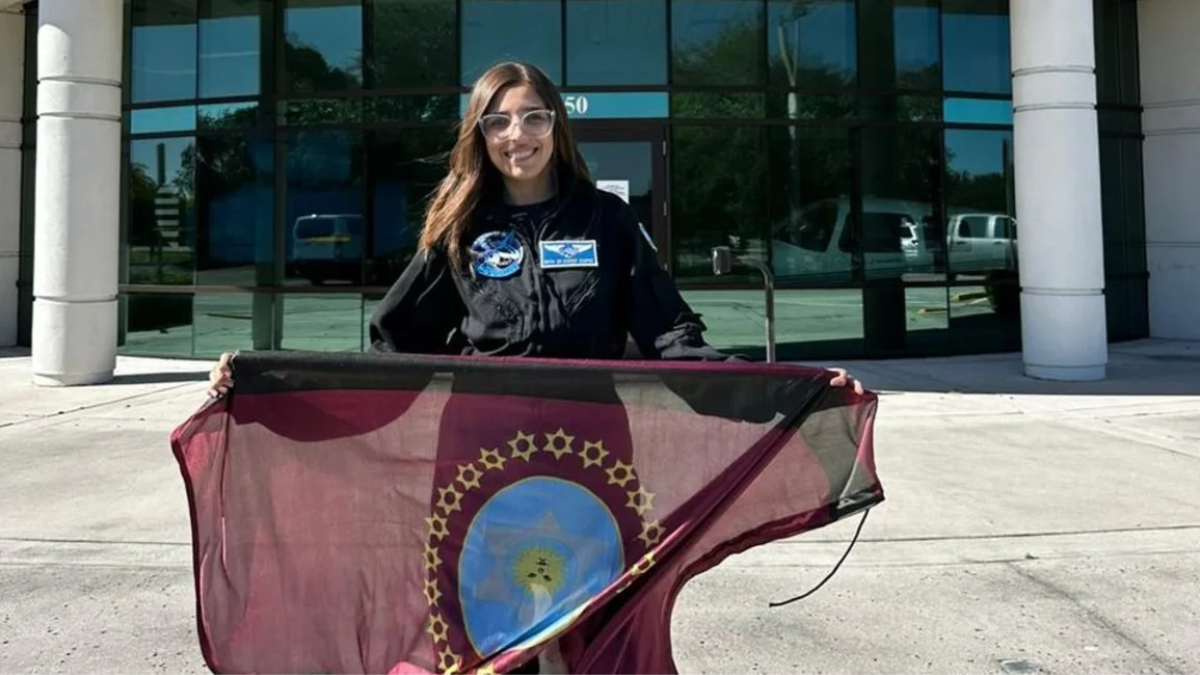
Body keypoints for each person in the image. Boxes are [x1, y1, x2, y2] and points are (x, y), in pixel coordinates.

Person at [205, 60, 862, 671]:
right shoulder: (458, 226)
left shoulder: (605, 219)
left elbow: (671, 333)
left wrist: (787, 394)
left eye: (532, 117)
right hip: (480, 459)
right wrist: (270, 386)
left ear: (555, 122)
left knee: (603, 619)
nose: (515, 135)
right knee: (487, 631)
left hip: (592, 457)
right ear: (480, 133)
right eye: (497, 120)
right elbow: (391, 351)